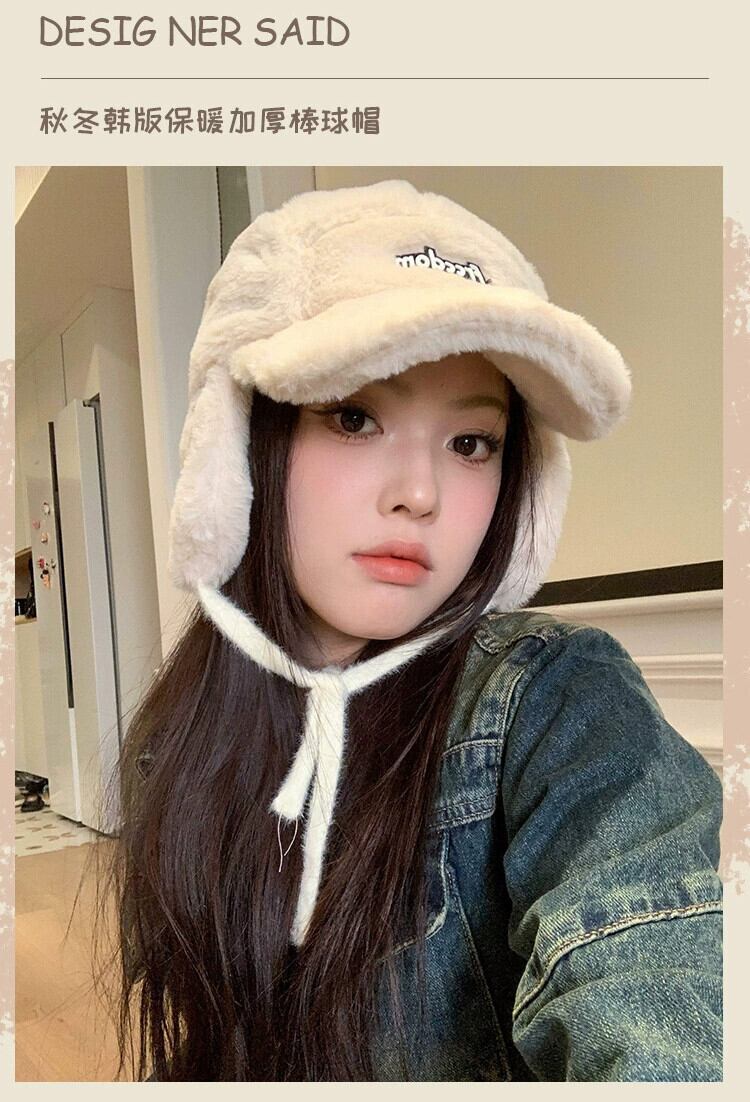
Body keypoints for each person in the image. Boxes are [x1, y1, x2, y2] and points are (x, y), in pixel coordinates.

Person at [98, 179, 722, 1082]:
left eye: (472, 444)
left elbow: (664, 991)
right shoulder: (178, 741)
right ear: (240, 452)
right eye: (355, 417)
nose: (420, 494)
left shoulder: (555, 702)